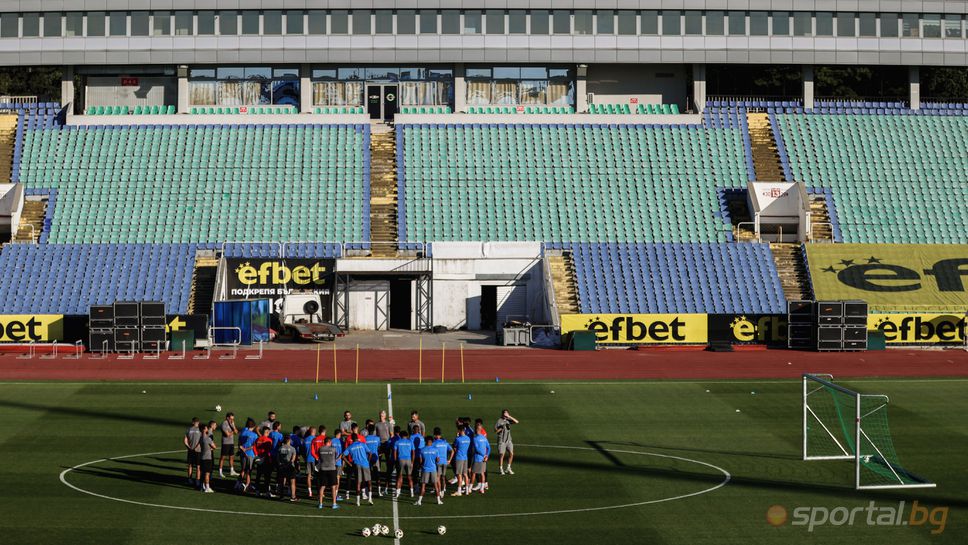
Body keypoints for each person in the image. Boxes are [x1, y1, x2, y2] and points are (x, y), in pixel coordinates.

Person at [344, 434, 373, 506]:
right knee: (369, 481)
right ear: (357, 438)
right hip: (365, 464)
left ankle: (357, 502)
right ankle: (370, 499)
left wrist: (349, 464)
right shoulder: (362, 444)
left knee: (358, 482)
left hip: (357, 465)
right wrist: (368, 461)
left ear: (352, 439)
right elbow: (370, 453)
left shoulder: (350, 446)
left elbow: (343, 456)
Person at [414, 435, 443, 506]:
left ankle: (419, 501)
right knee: (435, 485)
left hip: (425, 469)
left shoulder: (422, 450)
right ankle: (439, 501)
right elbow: (438, 460)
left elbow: (421, 461)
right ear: (431, 442)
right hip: (433, 469)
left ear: (425, 441)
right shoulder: (436, 450)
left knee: (423, 485)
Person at [315, 437, 340, 510]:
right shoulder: (333, 449)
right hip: (332, 469)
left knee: (322, 486)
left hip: (323, 469)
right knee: (333, 487)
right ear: (329, 442)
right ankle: (334, 504)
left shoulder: (320, 449)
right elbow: (335, 457)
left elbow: (319, 458)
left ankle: (320, 504)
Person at [236, 419, 258, 493]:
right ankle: (247, 485)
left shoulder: (243, 432)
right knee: (249, 471)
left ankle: (238, 483)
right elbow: (254, 445)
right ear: (254, 426)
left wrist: (241, 448)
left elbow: (239, 441)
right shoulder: (254, 435)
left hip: (242, 454)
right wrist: (246, 449)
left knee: (243, 470)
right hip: (250, 454)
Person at [495, 409, 519, 475]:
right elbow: (495, 431)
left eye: (506, 414)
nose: (505, 415)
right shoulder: (499, 421)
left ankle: (508, 468)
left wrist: (509, 416)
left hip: (509, 440)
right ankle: (501, 469)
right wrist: (501, 428)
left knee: (511, 454)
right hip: (501, 441)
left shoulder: (508, 420)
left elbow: (517, 422)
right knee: (502, 455)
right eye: (504, 414)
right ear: (502, 414)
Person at [254, 427, 275, 498]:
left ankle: (257, 491)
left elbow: (254, 448)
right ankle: (267, 492)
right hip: (266, 460)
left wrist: (257, 456)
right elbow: (268, 451)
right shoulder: (268, 440)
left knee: (258, 476)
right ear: (267, 432)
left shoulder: (258, 439)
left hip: (259, 459)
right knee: (267, 477)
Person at [431, 427, 453, 497]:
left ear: (435, 435)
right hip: (445, 462)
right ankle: (443, 490)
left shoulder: (434, 443)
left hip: (438, 462)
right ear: (440, 435)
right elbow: (452, 451)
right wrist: (450, 460)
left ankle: (439, 491)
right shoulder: (445, 443)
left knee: (438, 477)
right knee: (443, 477)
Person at [470, 423, 491, 494]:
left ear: (476, 429)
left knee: (473, 473)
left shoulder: (475, 439)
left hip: (478, 458)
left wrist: (483, 455)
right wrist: (486, 456)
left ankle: (469, 488)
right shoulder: (484, 438)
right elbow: (489, 448)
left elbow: (477, 449)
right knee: (482, 473)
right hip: (484, 459)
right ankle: (482, 489)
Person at [276, 435, 298, 502]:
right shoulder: (292, 449)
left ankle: (281, 496)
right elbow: (293, 459)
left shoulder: (280, 448)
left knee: (282, 481)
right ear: (289, 440)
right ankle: (293, 497)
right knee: (292, 482)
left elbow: (277, 459)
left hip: (282, 467)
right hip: (290, 467)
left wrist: (281, 464)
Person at [451, 426, 471, 496]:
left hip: (459, 458)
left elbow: (454, 448)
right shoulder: (468, 438)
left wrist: (456, 437)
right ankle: (467, 490)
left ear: (459, 430)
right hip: (465, 457)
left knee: (459, 475)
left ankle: (459, 491)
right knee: (465, 474)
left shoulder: (458, 439)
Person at [394, 430, 414, 498]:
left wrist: (395, 460)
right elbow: (413, 452)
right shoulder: (410, 442)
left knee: (399, 476)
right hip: (408, 460)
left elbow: (395, 452)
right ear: (407, 435)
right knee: (409, 477)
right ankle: (412, 492)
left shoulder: (397, 442)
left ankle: (397, 492)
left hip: (400, 460)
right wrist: (412, 461)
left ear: (400, 435)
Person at [199, 420, 217, 493]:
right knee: (207, 473)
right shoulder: (208, 439)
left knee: (203, 473)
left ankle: (202, 486)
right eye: (206, 428)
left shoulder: (200, 438)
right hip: (207, 458)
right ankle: (207, 487)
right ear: (204, 429)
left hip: (202, 457)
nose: (207, 429)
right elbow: (215, 447)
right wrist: (211, 447)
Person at [364, 422, 382, 495]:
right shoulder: (377, 438)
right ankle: (379, 491)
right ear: (374, 430)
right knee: (377, 474)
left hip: (367, 458)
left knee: (368, 474)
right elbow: (379, 447)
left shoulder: (365, 439)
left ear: (367, 430)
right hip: (375, 457)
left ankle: (367, 490)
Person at [218, 413, 238, 478]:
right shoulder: (224, 424)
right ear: (227, 418)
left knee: (231, 457)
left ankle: (232, 471)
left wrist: (233, 426)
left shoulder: (232, 423)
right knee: (223, 458)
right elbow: (227, 434)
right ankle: (220, 472)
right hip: (225, 443)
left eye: (232, 419)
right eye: (230, 418)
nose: (231, 420)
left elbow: (236, 432)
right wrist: (233, 430)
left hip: (231, 442)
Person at [184, 417, 202, 488]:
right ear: (198, 422)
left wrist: (189, 448)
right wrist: (195, 447)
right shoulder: (200, 430)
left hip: (190, 451)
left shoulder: (188, 429)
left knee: (190, 465)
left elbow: (185, 441)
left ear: (192, 422)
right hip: (198, 451)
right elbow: (201, 440)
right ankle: (197, 481)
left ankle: (190, 479)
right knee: (198, 466)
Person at [303, 426, 318, 497]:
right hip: (315, 459)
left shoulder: (305, 439)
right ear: (314, 432)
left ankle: (310, 492)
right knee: (317, 475)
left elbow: (302, 450)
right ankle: (319, 491)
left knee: (308, 476)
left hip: (307, 459)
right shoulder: (315, 439)